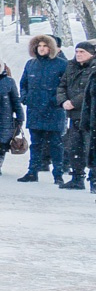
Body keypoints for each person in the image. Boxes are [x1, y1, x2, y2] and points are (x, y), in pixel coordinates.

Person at [18, 34, 70, 183]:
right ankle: (32, 171)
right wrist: (25, 97)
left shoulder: (61, 64)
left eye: (45, 46)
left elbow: (65, 86)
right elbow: (24, 84)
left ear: (51, 48)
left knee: (56, 143)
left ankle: (58, 174)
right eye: (39, 46)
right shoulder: (30, 64)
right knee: (36, 143)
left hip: (54, 110)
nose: (41, 49)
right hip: (34, 109)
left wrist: (56, 100)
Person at [58, 42, 96, 190]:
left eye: (82, 52)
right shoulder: (71, 66)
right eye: (77, 51)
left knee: (91, 147)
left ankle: (94, 179)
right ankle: (77, 177)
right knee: (74, 147)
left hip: (90, 115)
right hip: (73, 115)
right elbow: (62, 85)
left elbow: (89, 92)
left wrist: (74, 102)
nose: (79, 54)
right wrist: (63, 101)